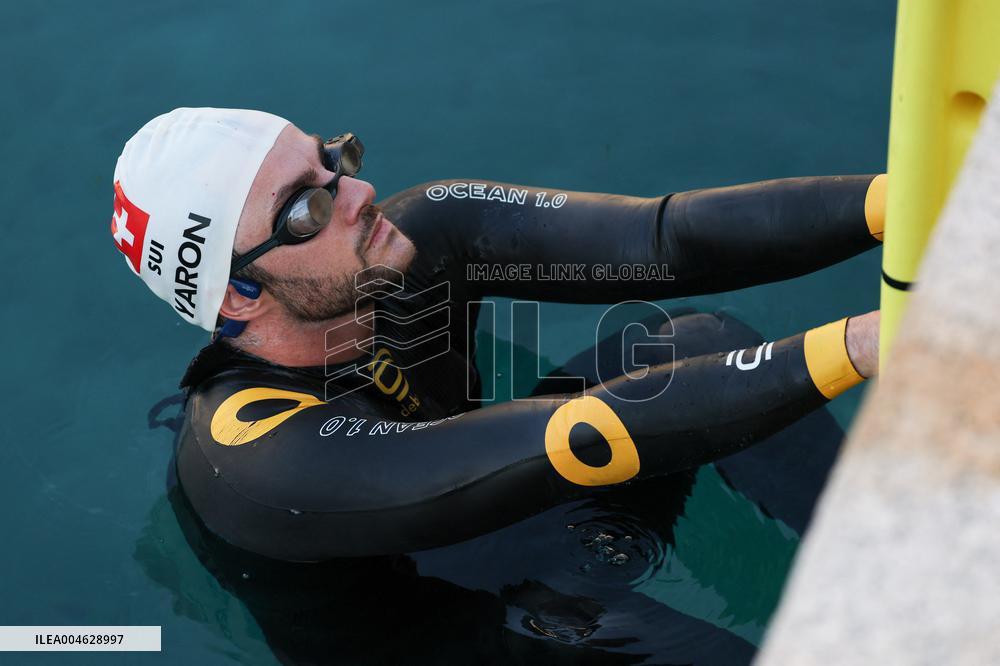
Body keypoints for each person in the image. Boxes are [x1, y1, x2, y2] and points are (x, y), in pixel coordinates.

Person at [112, 107, 883, 563]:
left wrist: (906, 205)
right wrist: (869, 341)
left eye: (333, 160)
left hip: (522, 494)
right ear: (238, 296)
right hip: (468, 623)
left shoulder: (414, 237)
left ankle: (909, 563)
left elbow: (664, 240)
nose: (358, 192)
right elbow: (583, 434)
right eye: (304, 211)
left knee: (686, 342)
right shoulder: (258, 459)